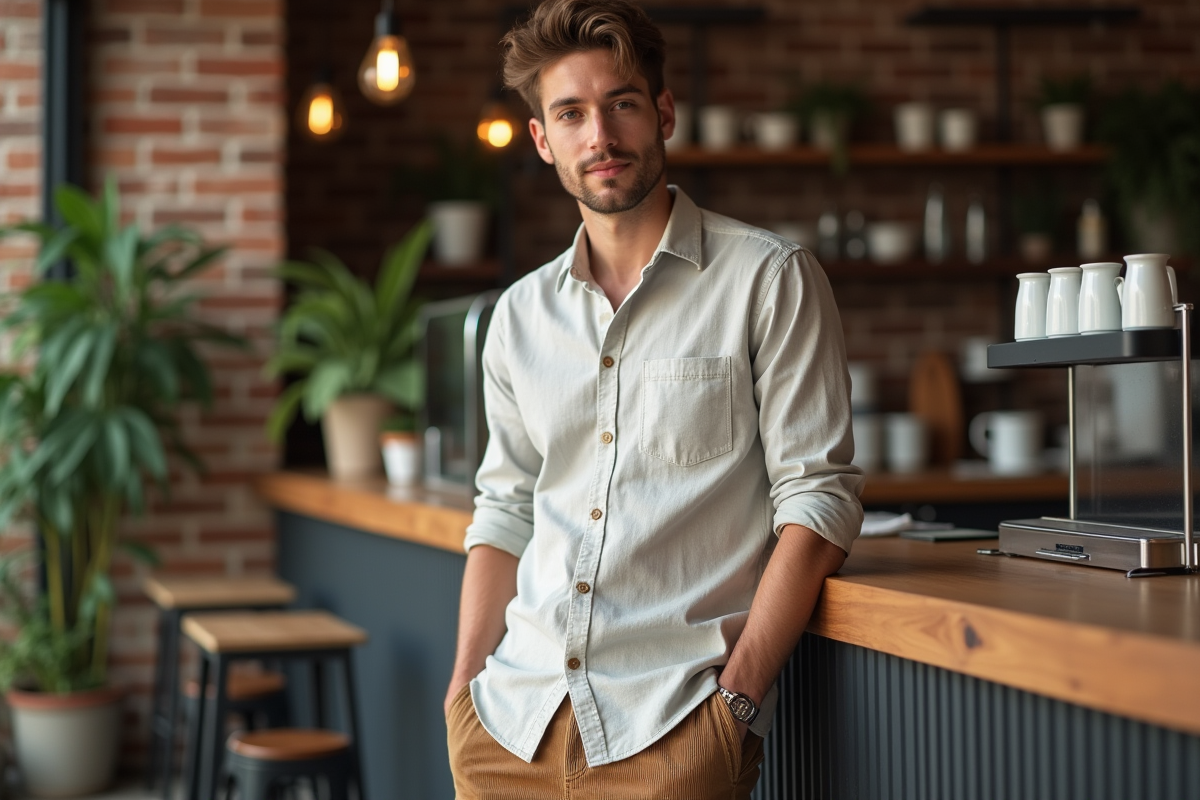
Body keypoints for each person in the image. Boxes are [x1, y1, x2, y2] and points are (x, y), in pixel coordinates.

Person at [443, 1, 863, 797]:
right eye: (569, 114)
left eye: (621, 104)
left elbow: (819, 501)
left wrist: (735, 704)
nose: (599, 137)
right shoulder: (519, 317)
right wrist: (464, 689)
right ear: (542, 140)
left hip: (674, 731)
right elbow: (503, 512)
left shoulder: (768, 280)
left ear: (664, 112)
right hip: (508, 728)